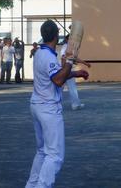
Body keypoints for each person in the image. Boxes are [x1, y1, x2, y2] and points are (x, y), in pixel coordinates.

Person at [26, 20, 88, 188]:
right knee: (55, 155)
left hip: (37, 106)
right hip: (48, 109)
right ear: (56, 36)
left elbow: (54, 76)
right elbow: (59, 80)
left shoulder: (39, 52)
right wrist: (69, 61)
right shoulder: (48, 56)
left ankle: (31, 186)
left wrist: (74, 72)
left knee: (42, 151)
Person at [59, 37, 91, 111]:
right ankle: (73, 104)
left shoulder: (71, 48)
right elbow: (63, 57)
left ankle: (75, 104)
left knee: (71, 88)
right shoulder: (65, 47)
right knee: (60, 88)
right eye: (71, 39)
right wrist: (63, 69)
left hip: (68, 69)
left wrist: (85, 63)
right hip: (64, 69)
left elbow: (75, 58)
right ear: (67, 40)